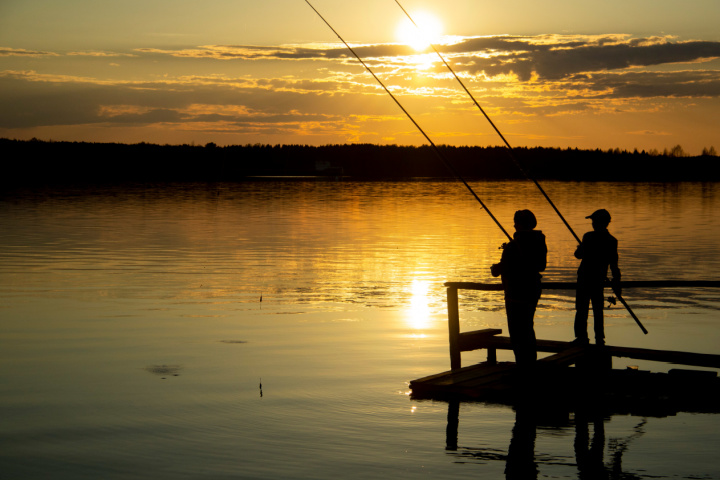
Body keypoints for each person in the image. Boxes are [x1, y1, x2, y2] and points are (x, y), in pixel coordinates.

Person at [491, 210, 547, 367]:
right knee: (528, 328)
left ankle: (522, 365)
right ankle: (530, 363)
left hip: (516, 292)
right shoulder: (539, 241)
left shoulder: (512, 246)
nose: (514, 225)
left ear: (520, 224)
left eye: (515, 222)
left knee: (516, 332)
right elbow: (541, 266)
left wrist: (496, 267)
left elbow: (499, 271)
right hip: (533, 290)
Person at [573, 209, 621, 346]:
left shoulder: (588, 237)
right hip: (598, 279)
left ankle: (581, 337)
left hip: (584, 278)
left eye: (594, 221)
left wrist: (580, 247)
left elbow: (578, 255)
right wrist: (616, 280)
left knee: (581, 309)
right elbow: (614, 264)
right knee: (597, 310)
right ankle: (599, 338)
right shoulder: (612, 241)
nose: (592, 224)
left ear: (599, 223)